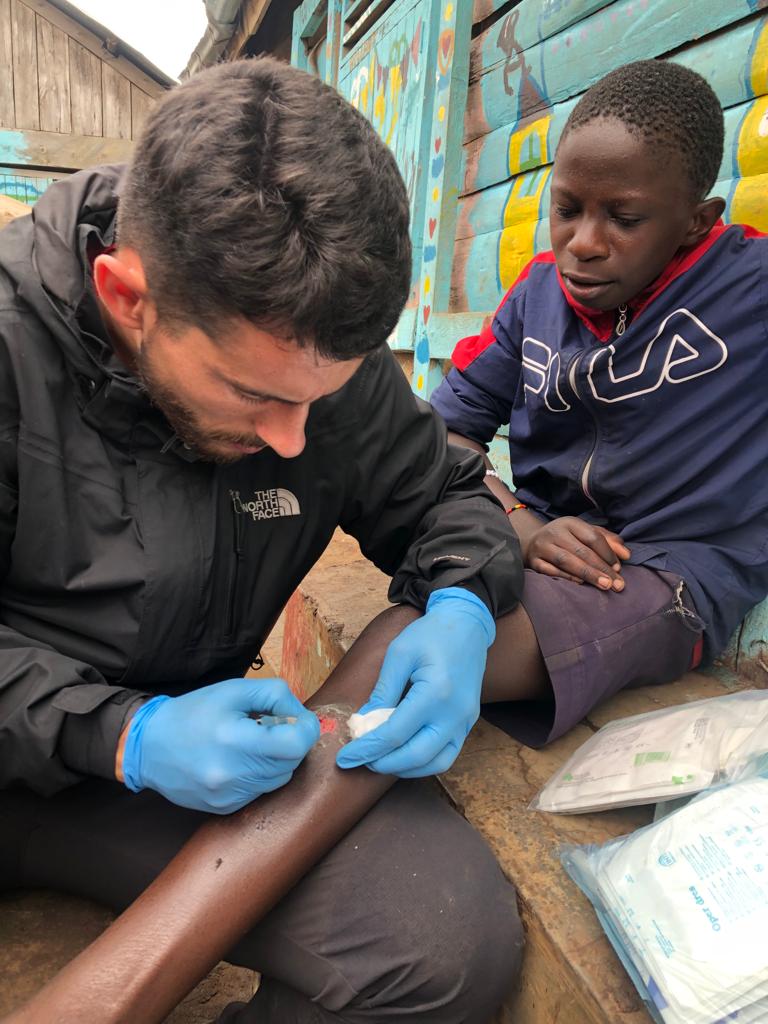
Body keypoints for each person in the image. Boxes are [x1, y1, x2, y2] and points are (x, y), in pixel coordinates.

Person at [0, 58, 524, 1023]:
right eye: (255, 396)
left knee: (439, 943)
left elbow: (447, 495)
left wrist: (461, 603)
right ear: (127, 297)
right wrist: (120, 735)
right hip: (42, 746)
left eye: (316, 400)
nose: (293, 438)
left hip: (167, 765)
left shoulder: (314, 360)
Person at [431, 59, 768, 747]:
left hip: (670, 574)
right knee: (430, 606)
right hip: (537, 536)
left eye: (625, 218)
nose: (583, 244)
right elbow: (444, 435)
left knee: (442, 657)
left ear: (695, 221)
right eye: (567, 209)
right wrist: (520, 526)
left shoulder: (750, 294)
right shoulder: (536, 297)